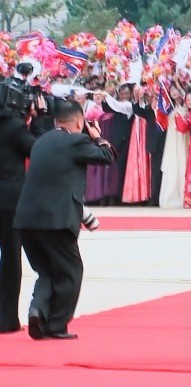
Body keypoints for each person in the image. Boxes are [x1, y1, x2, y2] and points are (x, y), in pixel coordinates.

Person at [14, 100, 116, 340]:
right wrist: (97, 137)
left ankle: (38, 311)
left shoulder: (41, 142)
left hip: (27, 218)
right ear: (79, 122)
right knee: (71, 271)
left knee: (46, 270)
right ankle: (56, 324)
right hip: (56, 220)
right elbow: (106, 156)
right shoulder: (76, 140)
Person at [0, 114, 36, 333]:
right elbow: (37, 150)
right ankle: (7, 318)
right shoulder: (14, 127)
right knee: (11, 257)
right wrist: (40, 122)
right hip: (9, 201)